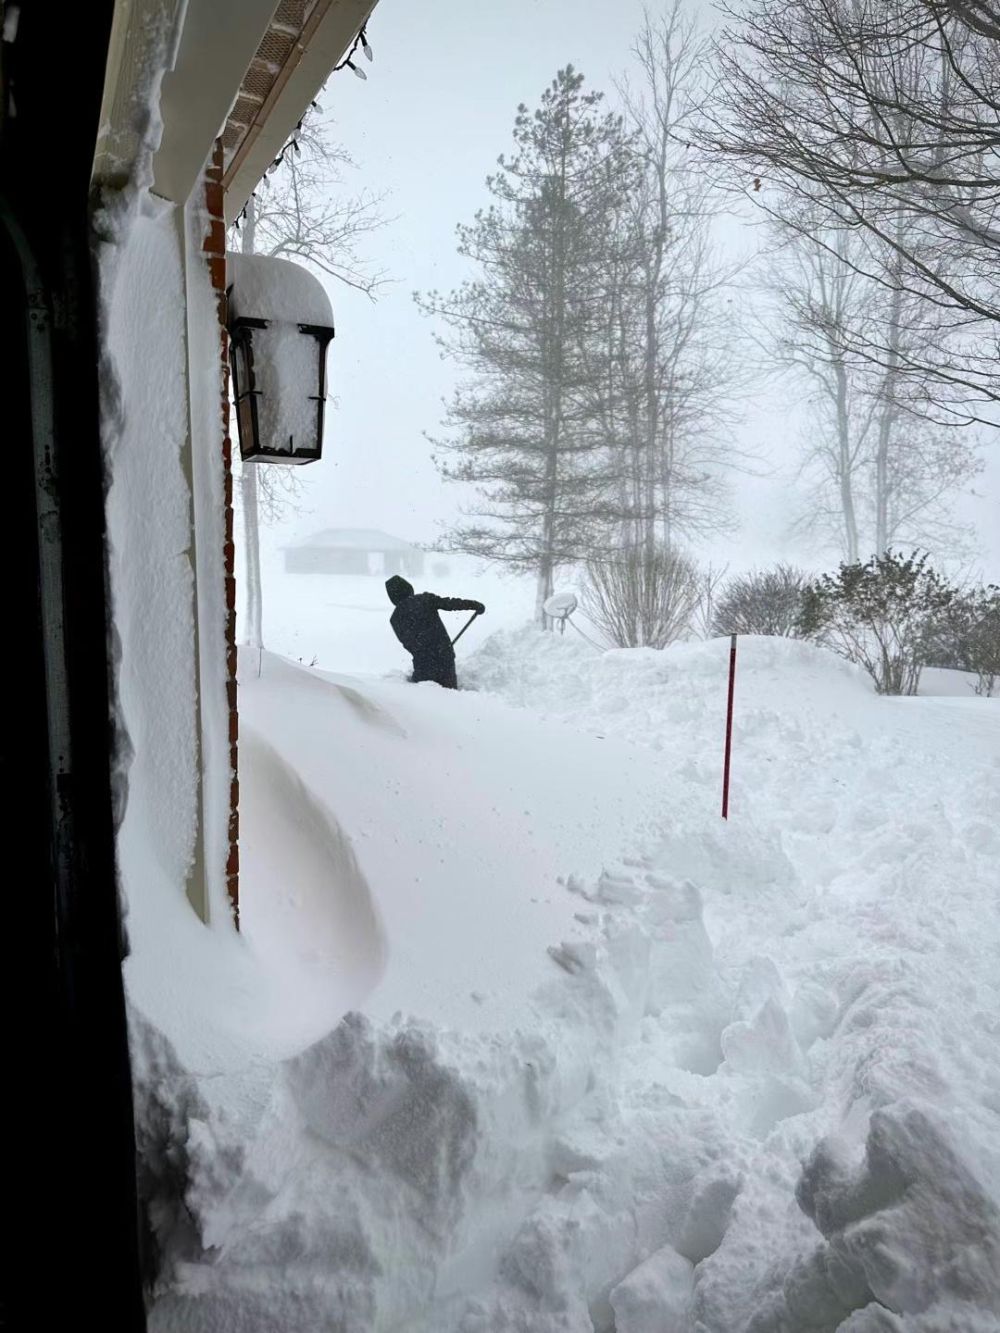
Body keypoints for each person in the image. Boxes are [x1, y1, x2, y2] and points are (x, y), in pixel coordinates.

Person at [385, 575, 485, 689]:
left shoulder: (395, 618)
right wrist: (474, 605)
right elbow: (450, 604)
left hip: (422, 663)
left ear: (392, 597)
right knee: (450, 694)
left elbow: (407, 643)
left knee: (426, 697)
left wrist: (424, 651)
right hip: (443, 656)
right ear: (409, 588)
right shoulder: (425, 599)